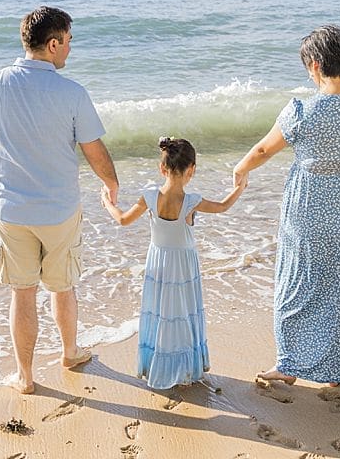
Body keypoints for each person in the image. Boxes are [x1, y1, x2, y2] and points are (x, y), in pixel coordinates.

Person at [0, 6, 120, 395]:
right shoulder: (72, 93)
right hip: (59, 211)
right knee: (62, 287)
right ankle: (70, 352)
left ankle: (25, 377)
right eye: (68, 42)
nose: (70, 49)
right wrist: (111, 184)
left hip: (11, 210)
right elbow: (94, 150)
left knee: (22, 292)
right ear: (52, 44)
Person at [232, 24, 340, 387]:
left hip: (307, 206)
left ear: (315, 65)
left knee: (297, 281)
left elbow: (263, 149)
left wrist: (241, 168)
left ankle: (290, 364)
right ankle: (338, 371)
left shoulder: (300, 110)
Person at [101, 136, 245, 389]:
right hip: (184, 267)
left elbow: (123, 220)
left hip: (158, 264)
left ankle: (156, 365)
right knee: (182, 314)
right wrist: (239, 187)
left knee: (160, 314)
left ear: (162, 168)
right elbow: (223, 206)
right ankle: (185, 369)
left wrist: (107, 203)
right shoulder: (191, 202)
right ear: (192, 170)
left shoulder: (149, 197)